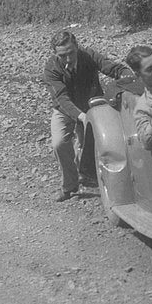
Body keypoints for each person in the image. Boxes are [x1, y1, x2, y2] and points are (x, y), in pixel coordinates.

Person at [43, 29, 131, 202]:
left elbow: (113, 68)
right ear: (55, 54)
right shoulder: (51, 69)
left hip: (91, 107)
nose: (68, 58)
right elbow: (61, 99)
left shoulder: (89, 56)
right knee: (59, 144)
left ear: (77, 47)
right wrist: (81, 117)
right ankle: (69, 186)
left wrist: (128, 77)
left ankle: (91, 175)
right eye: (62, 55)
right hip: (65, 110)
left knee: (87, 145)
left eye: (71, 53)